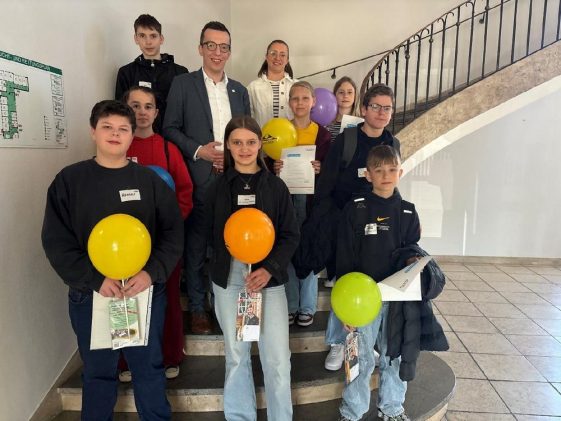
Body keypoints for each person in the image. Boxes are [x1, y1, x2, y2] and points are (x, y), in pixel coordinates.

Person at [41, 100, 184, 419]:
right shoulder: (70, 181)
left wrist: (150, 273)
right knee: (98, 372)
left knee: (148, 368)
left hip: (141, 291)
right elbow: (56, 241)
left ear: (133, 135)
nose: (115, 134)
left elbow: (173, 234)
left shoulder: (150, 182)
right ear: (93, 131)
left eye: (123, 129)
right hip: (93, 294)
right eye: (107, 127)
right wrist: (95, 280)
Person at [205, 116, 299, 421]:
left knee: (278, 360)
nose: (244, 149)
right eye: (237, 142)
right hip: (230, 278)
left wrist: (270, 268)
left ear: (260, 144)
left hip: (268, 279)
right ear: (228, 146)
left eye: (250, 142)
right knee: (236, 356)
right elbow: (206, 235)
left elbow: (290, 235)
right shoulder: (216, 188)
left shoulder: (276, 187)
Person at [163, 21, 250, 334]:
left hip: (234, 178)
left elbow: (247, 133)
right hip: (199, 177)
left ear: (229, 52)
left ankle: (227, 305)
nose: (217, 52)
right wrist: (200, 151)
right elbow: (169, 128)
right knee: (197, 246)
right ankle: (199, 308)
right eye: (211, 45)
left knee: (231, 244)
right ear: (200, 48)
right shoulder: (183, 84)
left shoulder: (240, 90)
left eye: (223, 47)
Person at [312, 83, 400, 370]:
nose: (381, 113)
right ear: (364, 109)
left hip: (378, 226)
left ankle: (365, 341)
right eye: (376, 107)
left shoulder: (392, 144)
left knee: (373, 283)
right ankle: (338, 342)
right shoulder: (347, 140)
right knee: (345, 281)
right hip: (346, 223)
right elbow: (327, 181)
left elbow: (392, 183)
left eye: (387, 108)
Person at [113, 86, 193, 382]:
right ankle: (125, 360)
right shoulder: (117, 148)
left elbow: (184, 193)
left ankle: (170, 356)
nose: (142, 112)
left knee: (168, 300)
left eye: (148, 106)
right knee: (124, 300)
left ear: (157, 113)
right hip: (123, 244)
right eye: (135, 105)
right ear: (125, 108)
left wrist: (167, 229)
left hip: (162, 245)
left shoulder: (168, 149)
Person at [337, 145, 419, 421]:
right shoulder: (356, 209)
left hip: (396, 299)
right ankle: (352, 411)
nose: (386, 176)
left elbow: (412, 251)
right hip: (362, 300)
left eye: (392, 170)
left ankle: (392, 408)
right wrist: (346, 307)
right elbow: (344, 256)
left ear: (400, 172)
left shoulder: (408, 212)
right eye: (379, 170)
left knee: (393, 355)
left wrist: (414, 262)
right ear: (368, 174)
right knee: (360, 357)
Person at [274, 81, 330, 327]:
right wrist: (273, 166)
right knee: (286, 249)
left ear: (313, 101)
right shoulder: (279, 130)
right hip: (284, 200)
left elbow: (332, 170)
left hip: (310, 202)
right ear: (289, 102)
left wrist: (321, 168)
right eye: (295, 98)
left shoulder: (323, 135)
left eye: (305, 98)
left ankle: (307, 306)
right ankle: (290, 304)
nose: (300, 103)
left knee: (308, 249)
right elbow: (266, 160)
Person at [115, 14, 188, 133]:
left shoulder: (180, 72)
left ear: (161, 39)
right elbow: (121, 113)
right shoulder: (126, 73)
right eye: (142, 36)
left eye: (153, 36)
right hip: (138, 137)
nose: (148, 42)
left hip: (173, 138)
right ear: (136, 39)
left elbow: (187, 112)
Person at [247, 40, 296, 127]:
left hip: (292, 135)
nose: (277, 58)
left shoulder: (296, 86)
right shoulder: (253, 88)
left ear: (287, 60)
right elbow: (248, 120)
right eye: (273, 53)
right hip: (262, 135)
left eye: (282, 55)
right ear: (266, 57)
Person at [325, 76, 360, 143]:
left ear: (355, 95)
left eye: (349, 92)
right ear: (334, 95)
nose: (345, 96)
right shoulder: (326, 123)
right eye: (341, 92)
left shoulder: (361, 124)